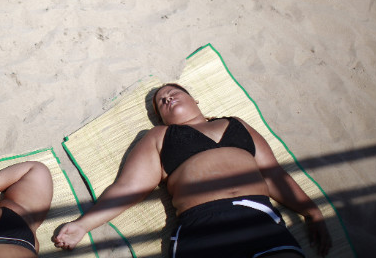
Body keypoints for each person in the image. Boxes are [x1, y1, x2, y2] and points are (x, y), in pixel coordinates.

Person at [53, 83, 331, 257]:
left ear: (195, 100)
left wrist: (311, 211)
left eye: (173, 93)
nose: (167, 98)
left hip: (258, 218)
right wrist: (82, 225)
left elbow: (273, 174)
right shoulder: (160, 136)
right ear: (159, 117)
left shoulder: (237, 124)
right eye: (161, 102)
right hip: (202, 225)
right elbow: (129, 188)